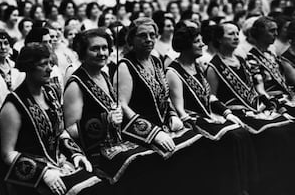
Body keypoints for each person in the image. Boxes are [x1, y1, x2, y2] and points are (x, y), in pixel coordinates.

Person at [114, 17, 223, 195]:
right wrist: (153, 134)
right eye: (142, 35)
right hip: (139, 132)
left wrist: (172, 115)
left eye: (152, 35)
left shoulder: (156, 62)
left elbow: (165, 96)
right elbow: (123, 107)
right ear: (131, 39)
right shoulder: (125, 66)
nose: (149, 39)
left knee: (200, 144)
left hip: (164, 125)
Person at [0, 43, 108, 195]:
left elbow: (60, 131)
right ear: (29, 68)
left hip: (60, 162)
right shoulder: (13, 104)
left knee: (100, 184)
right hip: (34, 176)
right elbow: (7, 154)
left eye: (50, 63)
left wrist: (76, 153)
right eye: (43, 64)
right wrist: (43, 173)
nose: (50, 68)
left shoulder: (50, 93)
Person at [63, 28, 163, 194]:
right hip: (95, 156)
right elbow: (70, 130)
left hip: (118, 144)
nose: (102, 53)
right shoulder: (76, 84)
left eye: (104, 48)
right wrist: (105, 121)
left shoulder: (104, 75)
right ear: (82, 52)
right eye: (95, 49)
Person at [206, 21, 295, 195]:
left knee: (289, 125)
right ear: (218, 39)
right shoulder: (213, 66)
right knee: (275, 134)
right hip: (236, 112)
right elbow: (211, 97)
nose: (235, 37)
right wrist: (228, 113)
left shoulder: (240, 59)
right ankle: (267, 182)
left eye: (237, 33)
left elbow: (254, 88)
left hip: (255, 108)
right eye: (230, 34)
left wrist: (266, 103)